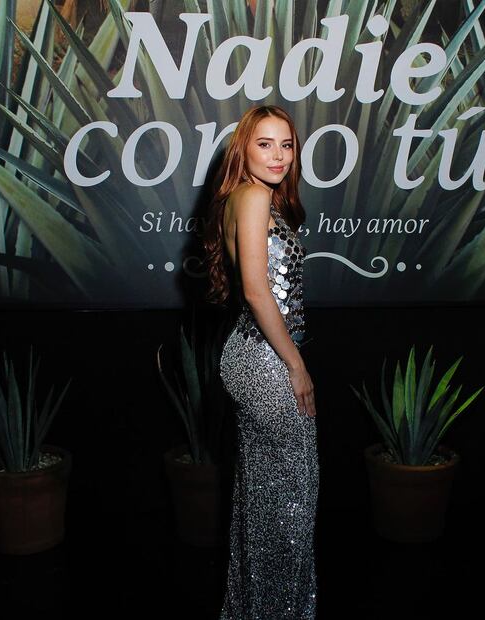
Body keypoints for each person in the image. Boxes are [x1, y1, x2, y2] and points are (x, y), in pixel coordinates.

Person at [203, 104, 319, 619]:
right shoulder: (253, 196)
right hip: (267, 361)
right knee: (292, 503)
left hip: (250, 355)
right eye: (265, 144)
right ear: (243, 149)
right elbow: (255, 290)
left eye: (286, 145)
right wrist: (296, 365)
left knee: (262, 498)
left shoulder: (241, 196)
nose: (278, 155)